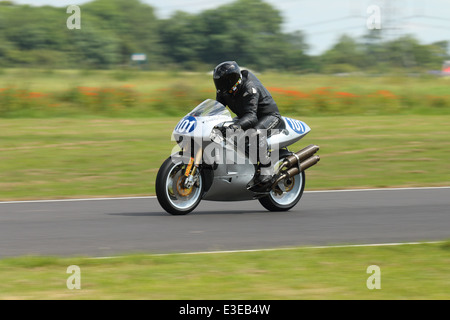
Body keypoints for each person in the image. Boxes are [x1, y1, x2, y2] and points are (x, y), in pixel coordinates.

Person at [213, 61, 282, 187]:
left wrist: (236, 126)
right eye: (218, 81)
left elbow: (251, 117)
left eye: (222, 81)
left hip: (268, 116)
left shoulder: (249, 88)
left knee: (254, 133)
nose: (220, 85)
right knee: (222, 131)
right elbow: (217, 110)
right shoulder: (224, 91)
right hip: (245, 115)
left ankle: (267, 170)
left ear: (232, 80)